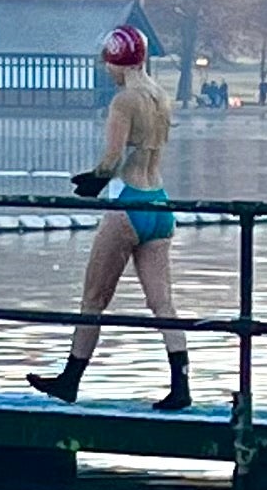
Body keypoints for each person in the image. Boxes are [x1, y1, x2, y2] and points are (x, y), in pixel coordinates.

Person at [29, 25, 189, 410]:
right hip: (159, 202)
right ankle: (181, 386)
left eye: (107, 63)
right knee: (163, 304)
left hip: (127, 203)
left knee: (93, 299)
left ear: (116, 60)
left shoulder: (124, 101)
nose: (106, 70)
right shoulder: (160, 97)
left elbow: (113, 157)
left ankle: (70, 379)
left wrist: (94, 180)